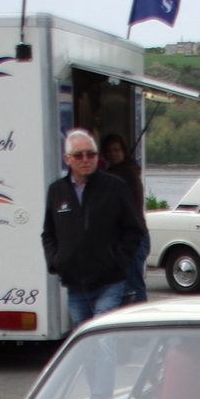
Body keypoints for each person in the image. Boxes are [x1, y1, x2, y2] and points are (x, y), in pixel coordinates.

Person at [41, 129, 145, 326]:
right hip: (75, 284)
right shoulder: (57, 191)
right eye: (79, 155)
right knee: (84, 341)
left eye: (91, 154)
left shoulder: (115, 187)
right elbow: (49, 233)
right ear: (67, 159)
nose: (85, 159)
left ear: (97, 157)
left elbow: (133, 229)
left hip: (109, 282)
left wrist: (117, 261)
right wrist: (56, 261)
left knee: (102, 337)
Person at [101, 133, 150, 304]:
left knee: (135, 286)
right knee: (126, 285)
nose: (113, 154)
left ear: (123, 151)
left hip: (135, 238)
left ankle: (141, 322)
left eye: (116, 150)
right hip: (126, 238)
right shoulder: (116, 172)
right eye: (109, 151)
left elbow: (133, 206)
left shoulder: (127, 173)